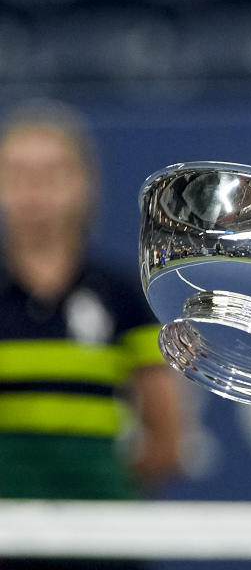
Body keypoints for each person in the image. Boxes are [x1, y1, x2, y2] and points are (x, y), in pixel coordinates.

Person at [0, 100, 181, 567]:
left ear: (84, 184)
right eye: (17, 173)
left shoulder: (122, 295)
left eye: (51, 173)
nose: (33, 190)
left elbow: (165, 438)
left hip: (104, 543)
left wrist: (104, 495)